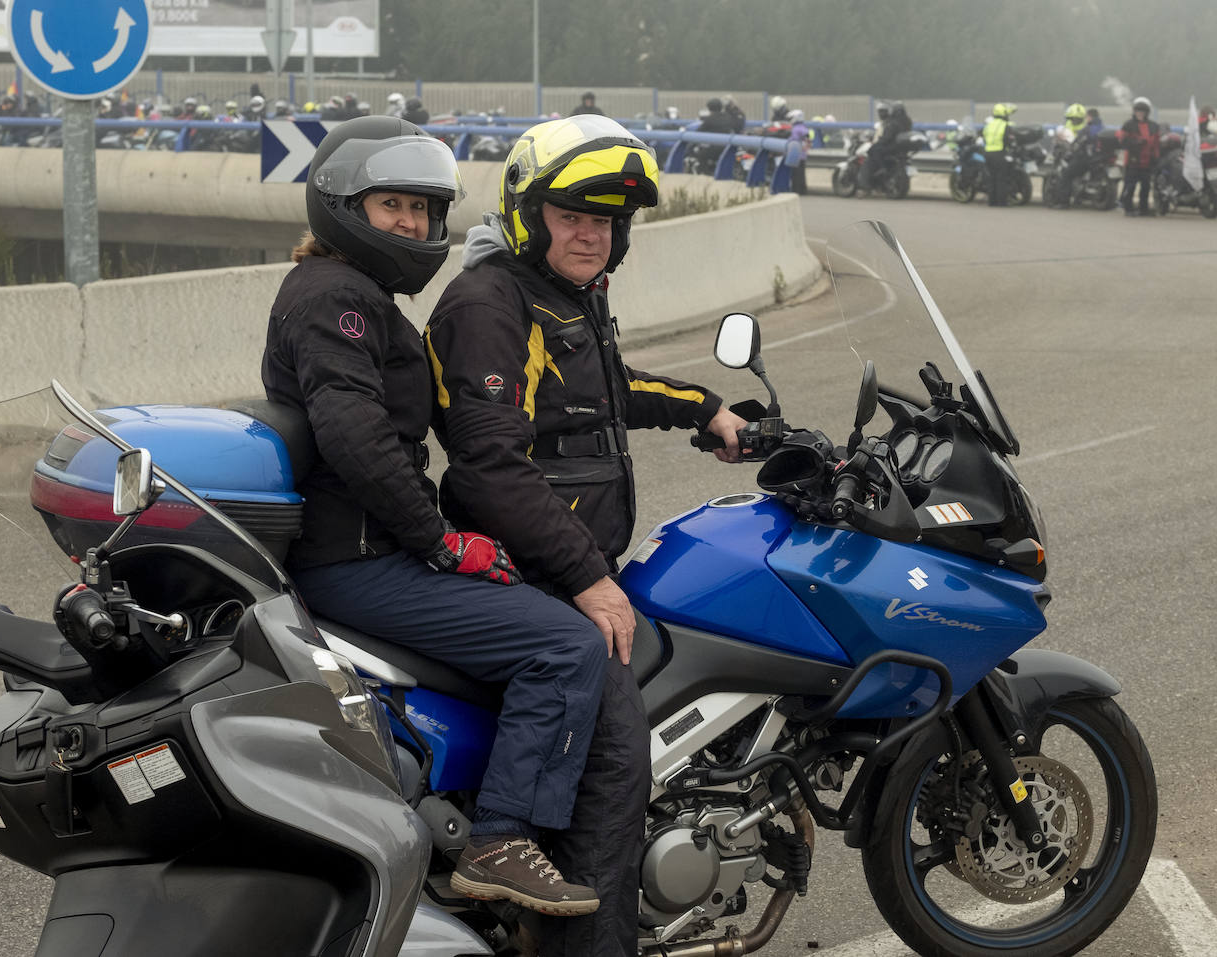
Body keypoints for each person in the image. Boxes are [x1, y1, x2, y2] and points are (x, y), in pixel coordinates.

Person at [261, 115, 609, 919]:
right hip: (357, 557)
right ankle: (502, 837)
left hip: (365, 547)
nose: (413, 225)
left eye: (423, 210)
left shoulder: (355, 294)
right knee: (566, 642)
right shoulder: (338, 296)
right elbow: (355, 434)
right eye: (393, 206)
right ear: (344, 204)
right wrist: (442, 541)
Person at [423, 114, 747, 957]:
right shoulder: (490, 301)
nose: (592, 233)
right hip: (533, 574)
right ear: (530, 213)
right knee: (615, 764)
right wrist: (585, 580)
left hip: (562, 566)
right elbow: (490, 464)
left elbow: (604, 389)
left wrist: (704, 408)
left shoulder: (563, 295)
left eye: (606, 220)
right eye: (574, 215)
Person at [1119, 96, 1160, 216]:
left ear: (1147, 112)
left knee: (1146, 187)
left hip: (1147, 161)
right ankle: (1128, 208)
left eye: (1142, 111)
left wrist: (1156, 157)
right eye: (1138, 111)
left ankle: (1144, 209)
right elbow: (1122, 141)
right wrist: (1136, 142)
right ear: (1134, 111)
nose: (1140, 114)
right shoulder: (1128, 125)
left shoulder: (1153, 126)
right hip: (1133, 160)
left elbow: (1156, 144)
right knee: (1130, 185)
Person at [861, 100, 913, 192]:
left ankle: (882, 168)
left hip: (892, 146)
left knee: (873, 150)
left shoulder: (893, 122)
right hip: (902, 148)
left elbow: (887, 137)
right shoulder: (907, 121)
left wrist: (878, 143)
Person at [982, 101, 1016, 206]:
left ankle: (992, 201)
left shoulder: (989, 125)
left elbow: (984, 137)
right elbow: (1009, 140)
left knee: (991, 178)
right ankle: (1002, 202)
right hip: (1000, 153)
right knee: (1001, 178)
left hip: (988, 153)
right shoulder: (1005, 125)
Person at [785, 108, 810, 195]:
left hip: (796, 155)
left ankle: (796, 190)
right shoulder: (804, 127)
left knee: (795, 174)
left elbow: (793, 140)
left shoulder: (795, 129)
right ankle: (803, 190)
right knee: (802, 174)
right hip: (803, 155)